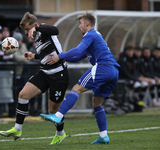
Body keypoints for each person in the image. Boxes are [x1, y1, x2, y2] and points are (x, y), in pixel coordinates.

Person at [40, 13, 120, 144]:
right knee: (96, 102)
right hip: (114, 71)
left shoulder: (90, 34)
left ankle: (58, 116)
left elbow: (77, 50)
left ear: (87, 24)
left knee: (77, 88)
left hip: (103, 67)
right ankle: (103, 135)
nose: (79, 27)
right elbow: (77, 56)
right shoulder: (96, 36)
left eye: (80, 23)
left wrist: (59, 57)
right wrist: (59, 57)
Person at [0, 12, 69, 145]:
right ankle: (17, 129)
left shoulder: (44, 29)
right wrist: (34, 56)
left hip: (59, 75)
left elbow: (56, 30)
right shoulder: (37, 37)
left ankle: (60, 134)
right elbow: (47, 53)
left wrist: (36, 28)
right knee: (23, 94)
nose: (26, 33)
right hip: (44, 73)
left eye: (27, 29)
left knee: (53, 111)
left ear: (35, 25)